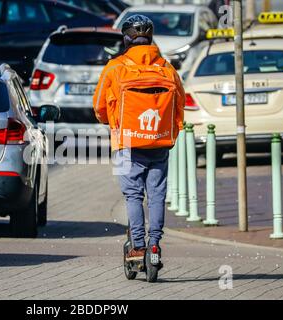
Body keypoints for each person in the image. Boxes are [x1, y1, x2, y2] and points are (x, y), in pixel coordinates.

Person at [93, 15, 185, 262]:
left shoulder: (115, 67)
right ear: (151, 38)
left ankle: (137, 246)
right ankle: (154, 244)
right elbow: (180, 105)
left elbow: (99, 106)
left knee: (133, 195)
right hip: (159, 142)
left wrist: (110, 121)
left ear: (125, 38)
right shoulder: (166, 68)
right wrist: (170, 134)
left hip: (126, 143)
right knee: (156, 195)